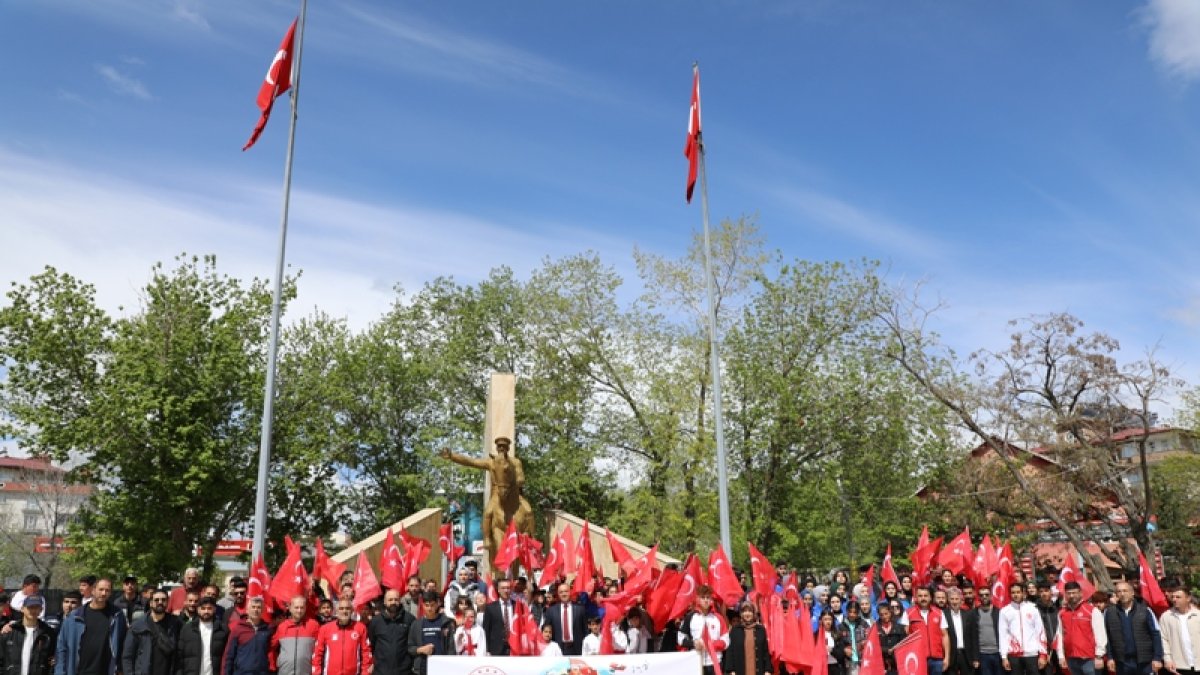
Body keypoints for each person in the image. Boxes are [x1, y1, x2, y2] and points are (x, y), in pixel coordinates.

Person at [54, 578, 128, 675]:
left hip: (105, 670)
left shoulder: (117, 616)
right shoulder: (74, 617)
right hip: (79, 670)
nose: (103, 593)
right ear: (93, 590)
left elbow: (123, 644)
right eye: (101, 589)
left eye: (107, 590)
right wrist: (60, 672)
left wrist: (120, 668)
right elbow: (62, 648)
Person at [1102, 581, 1162, 675]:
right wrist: (1110, 657)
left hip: (1144, 662)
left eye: (1125, 591)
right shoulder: (1109, 613)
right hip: (1122, 662)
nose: (1122, 594)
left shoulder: (1145, 610)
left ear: (1132, 593)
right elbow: (1107, 637)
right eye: (1119, 591)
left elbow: (1156, 634)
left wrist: (1157, 657)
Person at [122, 589, 181, 675]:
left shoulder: (176, 624)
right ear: (151, 603)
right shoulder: (137, 626)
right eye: (156, 600)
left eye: (163, 600)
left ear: (167, 602)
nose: (160, 602)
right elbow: (128, 656)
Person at [1056, 581, 1106, 675]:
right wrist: (1061, 656)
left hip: (1089, 659)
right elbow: (1060, 635)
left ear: (1080, 593)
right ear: (1065, 595)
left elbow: (1100, 634)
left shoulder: (1092, 610)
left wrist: (1099, 655)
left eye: (1074, 592)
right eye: (1069, 593)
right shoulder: (1062, 613)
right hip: (1071, 658)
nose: (1071, 596)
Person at [312, 599, 372, 675]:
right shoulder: (325, 629)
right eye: (341, 608)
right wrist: (316, 673)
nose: (344, 611)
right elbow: (317, 654)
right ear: (336, 611)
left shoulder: (361, 628)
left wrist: (365, 673)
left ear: (352, 611)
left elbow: (366, 652)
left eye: (347, 608)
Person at [999, 582, 1048, 675]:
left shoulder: (1032, 608)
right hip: (1014, 654)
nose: (1016, 595)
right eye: (1013, 592)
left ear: (1023, 593)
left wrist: (1043, 654)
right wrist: (1004, 657)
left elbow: (1040, 631)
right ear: (1010, 594)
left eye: (1018, 592)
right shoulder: (1004, 611)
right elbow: (1002, 635)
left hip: (1032, 653)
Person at [679, 586, 729, 675]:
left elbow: (726, 641)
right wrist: (694, 643)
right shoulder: (690, 617)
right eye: (703, 597)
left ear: (711, 600)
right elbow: (680, 639)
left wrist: (710, 645)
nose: (706, 600)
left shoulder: (718, 618)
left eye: (708, 597)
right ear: (698, 599)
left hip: (714, 663)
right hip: (696, 661)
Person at [0, 596, 53, 675]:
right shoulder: (10, 632)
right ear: (22, 609)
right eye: (30, 607)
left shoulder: (48, 634)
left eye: (36, 607)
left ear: (41, 610)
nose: (33, 610)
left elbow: (52, 662)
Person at [177, 597, 228, 675]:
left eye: (209, 608)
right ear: (198, 610)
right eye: (203, 608)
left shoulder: (222, 629)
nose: (206, 611)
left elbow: (227, 656)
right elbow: (180, 655)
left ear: (214, 610)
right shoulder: (187, 629)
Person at [407, 591, 453, 675]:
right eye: (426, 605)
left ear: (437, 604)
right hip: (422, 668)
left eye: (432, 605)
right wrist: (421, 649)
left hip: (442, 668)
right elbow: (409, 647)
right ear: (422, 605)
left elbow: (451, 648)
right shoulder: (416, 624)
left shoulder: (446, 622)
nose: (429, 608)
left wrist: (450, 666)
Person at [368, 589, 413, 675]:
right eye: (390, 599)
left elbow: (412, 644)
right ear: (384, 602)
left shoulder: (409, 619)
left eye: (396, 599)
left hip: (404, 671)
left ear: (400, 601)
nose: (393, 602)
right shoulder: (375, 622)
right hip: (381, 671)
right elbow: (372, 644)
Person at [223, 597, 272, 675]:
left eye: (259, 607)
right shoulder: (238, 629)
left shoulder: (267, 629)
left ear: (262, 610)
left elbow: (270, 653)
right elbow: (229, 655)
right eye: (253, 607)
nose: (256, 610)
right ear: (247, 610)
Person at [269, 597, 318, 675]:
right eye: (296, 607)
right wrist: (273, 665)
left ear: (305, 608)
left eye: (302, 607)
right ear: (290, 608)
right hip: (285, 672)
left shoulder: (314, 625)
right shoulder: (282, 626)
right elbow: (271, 647)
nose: (299, 610)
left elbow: (319, 650)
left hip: (306, 672)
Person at [906, 588, 949, 675]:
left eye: (926, 596)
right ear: (916, 598)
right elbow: (906, 636)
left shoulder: (939, 613)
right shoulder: (908, 613)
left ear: (930, 598)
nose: (923, 598)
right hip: (918, 658)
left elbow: (945, 636)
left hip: (937, 659)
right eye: (920, 596)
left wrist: (947, 657)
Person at [1160, 585, 1200, 675]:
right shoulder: (1166, 617)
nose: (1174, 599)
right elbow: (1163, 640)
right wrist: (1167, 659)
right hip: (1179, 666)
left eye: (1178, 597)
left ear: (1188, 598)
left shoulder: (1198, 615)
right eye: (1173, 597)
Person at [722, 602, 771, 675]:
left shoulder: (761, 630)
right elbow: (730, 651)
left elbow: (765, 651)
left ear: (753, 613)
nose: (747, 613)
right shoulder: (735, 630)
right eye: (745, 611)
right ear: (741, 613)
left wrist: (767, 670)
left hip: (758, 671)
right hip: (740, 671)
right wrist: (731, 670)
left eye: (750, 611)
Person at [966, 586, 1002, 675]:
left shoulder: (999, 613)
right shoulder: (973, 614)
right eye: (982, 595)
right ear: (978, 597)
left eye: (986, 594)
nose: (984, 597)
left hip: (998, 653)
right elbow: (970, 637)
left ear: (991, 596)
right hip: (982, 655)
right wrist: (975, 658)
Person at [543, 583, 585, 656]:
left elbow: (585, 629)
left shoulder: (580, 609)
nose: (564, 594)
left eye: (566, 591)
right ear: (558, 594)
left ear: (570, 592)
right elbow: (547, 629)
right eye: (561, 592)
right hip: (558, 648)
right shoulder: (551, 611)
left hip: (577, 648)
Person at [480, 578, 514, 656]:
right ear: (498, 590)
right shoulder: (490, 608)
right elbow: (486, 630)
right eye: (503, 588)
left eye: (508, 588)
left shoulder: (517, 606)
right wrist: (487, 650)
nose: (506, 590)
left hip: (513, 647)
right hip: (496, 649)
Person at [1035, 581, 1060, 675]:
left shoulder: (1058, 608)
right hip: (1043, 651)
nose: (1044, 593)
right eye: (1041, 591)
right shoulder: (1035, 610)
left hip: (1059, 650)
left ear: (1051, 592)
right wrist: (1043, 653)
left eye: (1046, 591)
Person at [838, 602, 870, 675]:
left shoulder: (864, 624)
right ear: (846, 611)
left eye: (854, 612)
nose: (852, 614)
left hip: (863, 659)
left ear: (858, 612)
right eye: (850, 612)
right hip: (849, 661)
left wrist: (865, 642)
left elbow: (870, 639)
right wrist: (844, 649)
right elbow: (838, 643)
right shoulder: (841, 626)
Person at [943, 588, 970, 675]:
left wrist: (975, 657)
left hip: (966, 655)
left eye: (957, 599)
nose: (954, 602)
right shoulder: (943, 615)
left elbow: (973, 636)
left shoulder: (968, 614)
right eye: (952, 599)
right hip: (951, 655)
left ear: (961, 600)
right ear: (948, 600)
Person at [876, 603, 905, 675]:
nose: (884, 616)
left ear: (890, 612)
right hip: (882, 664)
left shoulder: (899, 627)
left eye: (886, 613)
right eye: (881, 614)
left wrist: (895, 650)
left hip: (897, 664)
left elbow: (904, 644)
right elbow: (874, 646)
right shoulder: (875, 629)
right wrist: (886, 650)